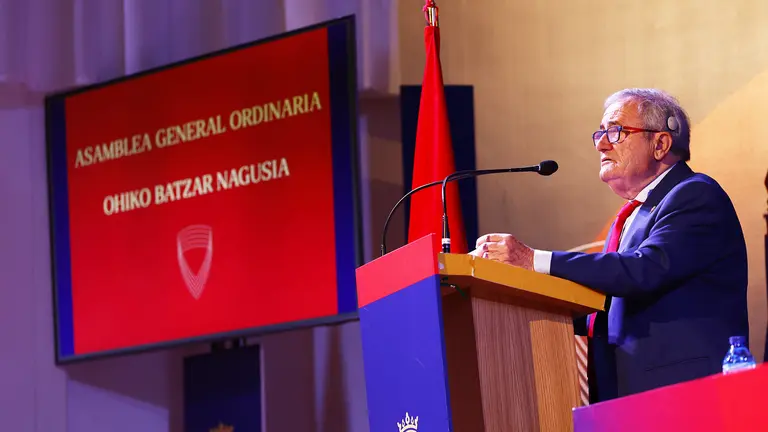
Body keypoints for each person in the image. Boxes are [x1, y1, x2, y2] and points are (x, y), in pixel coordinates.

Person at [471, 88, 749, 402]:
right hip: (624, 395)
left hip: (683, 393)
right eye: (600, 133)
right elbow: (605, 302)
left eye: (616, 131)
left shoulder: (695, 195)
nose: (602, 143)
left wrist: (532, 259)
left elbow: (644, 269)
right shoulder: (636, 213)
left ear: (660, 144)